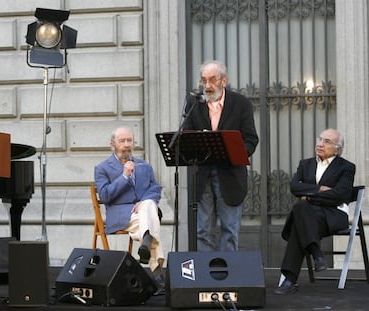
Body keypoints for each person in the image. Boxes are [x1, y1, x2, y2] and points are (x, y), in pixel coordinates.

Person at [182, 60, 259, 252]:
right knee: (202, 230)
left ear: (223, 81)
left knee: (229, 229)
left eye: (212, 80)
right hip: (202, 175)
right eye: (204, 81)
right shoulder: (194, 103)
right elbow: (186, 134)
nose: (207, 86)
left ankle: (227, 277)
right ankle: (206, 278)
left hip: (230, 174)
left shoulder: (241, 103)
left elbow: (251, 139)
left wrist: (234, 150)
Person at [274, 128, 355, 295]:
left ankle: (289, 279)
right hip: (310, 215)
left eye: (327, 142)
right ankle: (316, 253)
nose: (320, 144)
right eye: (320, 139)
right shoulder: (306, 164)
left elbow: (341, 194)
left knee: (300, 212)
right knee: (301, 209)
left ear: (337, 149)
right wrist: (319, 189)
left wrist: (310, 196)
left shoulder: (346, 167)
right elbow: (295, 187)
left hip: (333, 214)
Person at [94, 126, 165, 294]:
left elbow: (155, 188)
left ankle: (148, 244)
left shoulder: (144, 165)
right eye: (122, 141)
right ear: (112, 145)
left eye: (129, 141)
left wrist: (145, 201)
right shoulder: (102, 168)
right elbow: (105, 195)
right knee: (150, 215)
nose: (126, 145)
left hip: (143, 213)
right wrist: (124, 176)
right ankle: (156, 269)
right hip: (121, 215)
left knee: (148, 206)